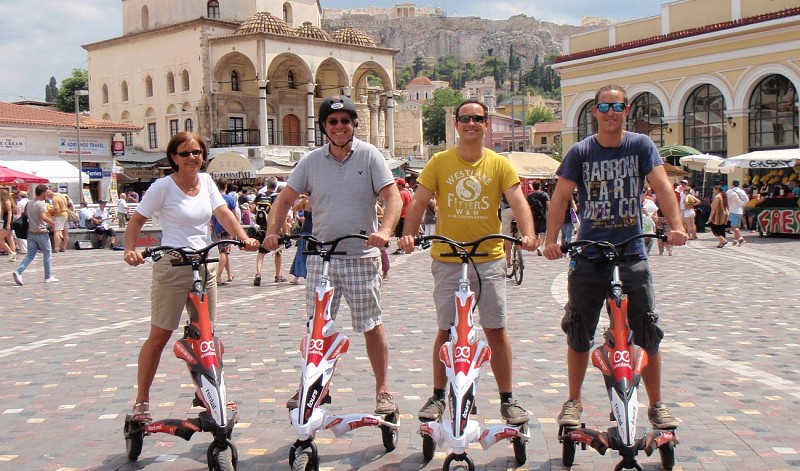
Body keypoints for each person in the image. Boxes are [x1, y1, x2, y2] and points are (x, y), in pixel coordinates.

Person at [542, 85, 687, 431]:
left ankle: (656, 404)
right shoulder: (580, 152)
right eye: (604, 106)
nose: (611, 112)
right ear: (595, 111)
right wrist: (551, 241)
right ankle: (574, 400)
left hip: (632, 249)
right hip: (590, 252)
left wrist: (677, 226)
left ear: (627, 110)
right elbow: (560, 198)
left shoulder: (640, 146)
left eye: (617, 106)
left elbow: (663, 187)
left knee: (647, 330)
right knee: (579, 328)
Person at [397, 98, 537, 425]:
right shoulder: (439, 162)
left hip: (488, 258)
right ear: (457, 124)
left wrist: (528, 233)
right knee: (446, 330)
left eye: (477, 118)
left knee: (496, 329)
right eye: (465, 118)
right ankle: (438, 394)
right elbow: (418, 202)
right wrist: (408, 234)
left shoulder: (499, 164)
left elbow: (518, 201)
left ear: (486, 124)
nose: (471, 123)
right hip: (447, 257)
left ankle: (507, 398)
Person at [262, 95, 402, 414]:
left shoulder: (369, 156)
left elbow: (392, 196)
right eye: (333, 122)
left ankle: (383, 389)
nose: (339, 126)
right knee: (317, 327)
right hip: (322, 256)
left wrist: (384, 231)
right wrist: (273, 231)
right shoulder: (311, 161)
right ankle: (313, 384)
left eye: (345, 121)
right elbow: (284, 199)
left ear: (353, 124)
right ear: (324, 127)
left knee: (371, 323)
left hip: (360, 255)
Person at [122, 131, 258, 423]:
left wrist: (244, 237)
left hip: (204, 264)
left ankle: (208, 391)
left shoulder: (207, 182)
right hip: (173, 265)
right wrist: (130, 250)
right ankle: (142, 401)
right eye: (185, 154)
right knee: (159, 335)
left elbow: (223, 214)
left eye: (196, 152)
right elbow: (137, 220)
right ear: (174, 158)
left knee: (206, 336)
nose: (192, 158)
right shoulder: (163, 187)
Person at [12, 184, 58, 285]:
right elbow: (43, 217)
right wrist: (52, 222)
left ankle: (18, 271)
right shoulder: (41, 204)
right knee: (47, 254)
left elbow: (27, 216)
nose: (47, 194)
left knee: (30, 255)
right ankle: (48, 276)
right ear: (43, 193)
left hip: (30, 233)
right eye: (46, 192)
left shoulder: (29, 203)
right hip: (41, 232)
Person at [252, 177, 286, 285]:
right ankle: (278, 275)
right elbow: (282, 214)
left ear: (267, 185)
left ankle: (258, 273)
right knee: (278, 252)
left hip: (262, 228)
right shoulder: (277, 197)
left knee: (261, 252)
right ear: (275, 186)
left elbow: (252, 209)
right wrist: (285, 230)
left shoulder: (260, 196)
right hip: (274, 229)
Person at [212, 179, 238, 285]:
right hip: (227, 229)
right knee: (224, 252)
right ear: (226, 186)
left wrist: (213, 226)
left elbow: (210, 215)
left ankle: (229, 274)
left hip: (218, 228)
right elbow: (234, 216)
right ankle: (217, 277)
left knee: (224, 251)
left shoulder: (213, 199)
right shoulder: (229, 199)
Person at [288, 194, 312, 285]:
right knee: (301, 253)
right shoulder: (307, 201)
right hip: (308, 231)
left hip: (314, 231)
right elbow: (293, 209)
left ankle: (299, 276)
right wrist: (301, 201)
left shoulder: (317, 201)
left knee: (310, 254)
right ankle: (297, 275)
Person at [526, 180, 549, 255]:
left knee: (535, 234)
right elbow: (549, 205)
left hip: (533, 216)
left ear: (533, 187)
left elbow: (527, 207)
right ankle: (539, 247)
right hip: (543, 216)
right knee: (542, 234)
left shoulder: (530, 196)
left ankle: (536, 246)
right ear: (540, 186)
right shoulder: (544, 194)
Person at [726, 179, 749, 246]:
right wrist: (742, 204)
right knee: (736, 227)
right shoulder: (742, 191)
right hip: (739, 211)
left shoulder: (729, 191)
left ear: (732, 184)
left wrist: (728, 207)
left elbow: (727, 201)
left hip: (732, 210)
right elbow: (747, 200)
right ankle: (735, 241)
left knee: (733, 227)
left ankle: (741, 239)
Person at [392, 178, 412, 254]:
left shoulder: (401, 193)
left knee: (400, 234)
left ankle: (401, 248)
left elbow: (400, 204)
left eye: (397, 184)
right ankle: (404, 247)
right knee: (404, 233)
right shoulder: (408, 192)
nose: (396, 185)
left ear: (400, 185)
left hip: (402, 215)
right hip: (408, 216)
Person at [0, 189, 17, 261]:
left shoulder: (7, 201)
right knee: (10, 239)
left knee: (0, 239)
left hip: (8, 221)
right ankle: (13, 256)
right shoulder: (8, 201)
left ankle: (10, 253)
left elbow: (10, 212)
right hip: (8, 221)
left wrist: (8, 223)